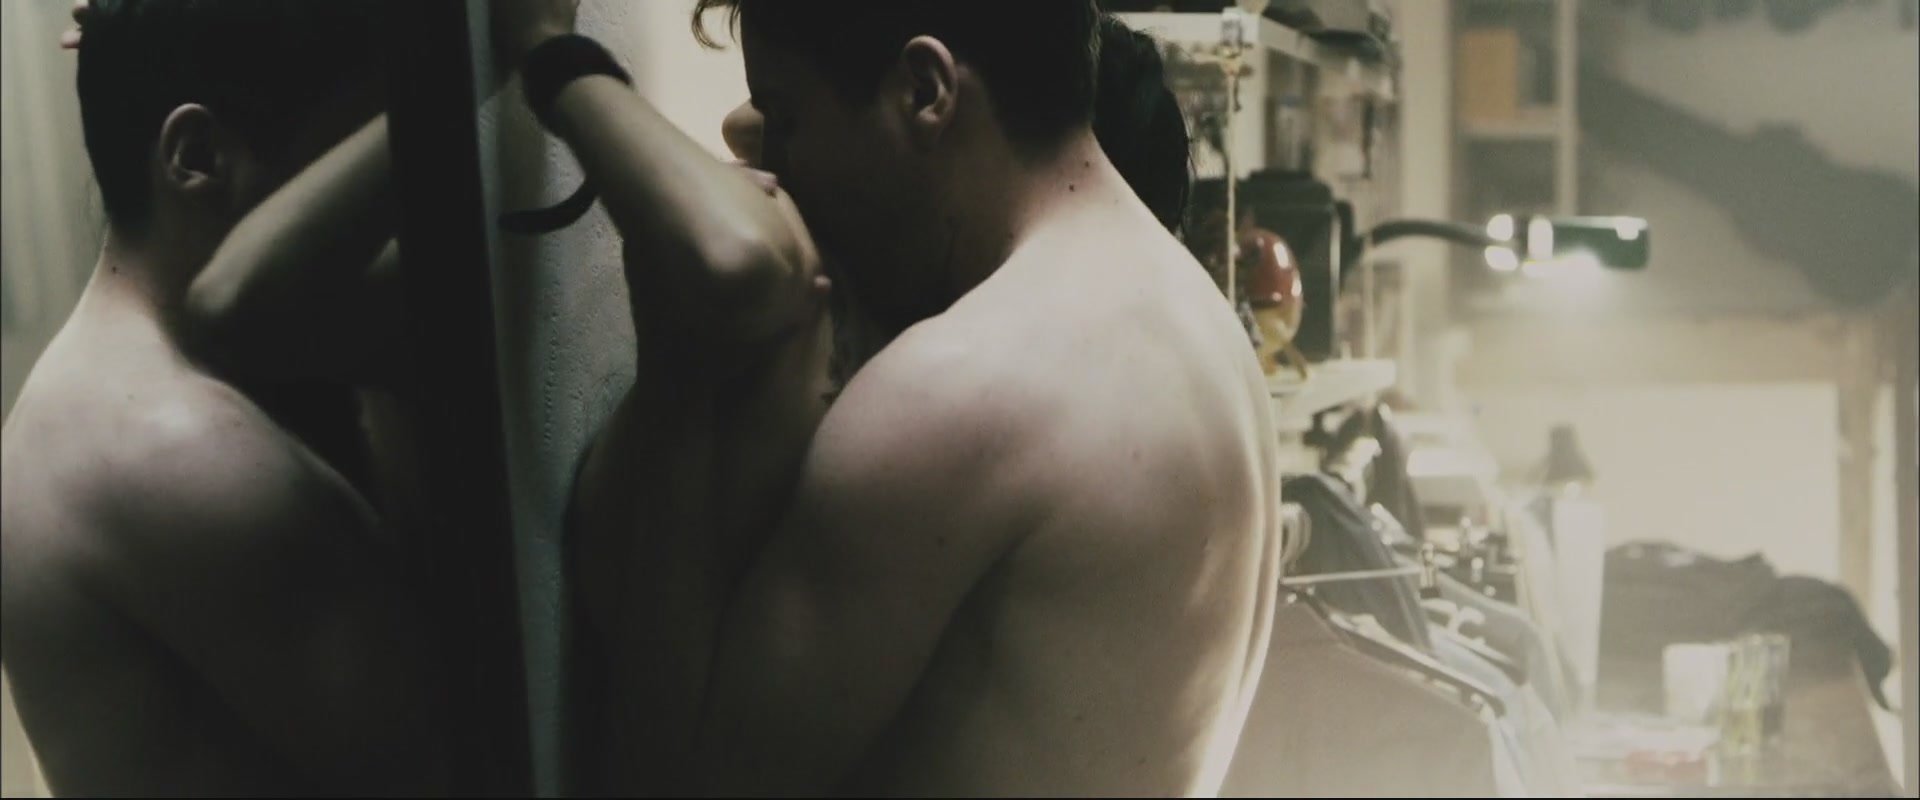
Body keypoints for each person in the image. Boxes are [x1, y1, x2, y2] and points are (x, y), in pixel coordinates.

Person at [527, 0, 1283, 794]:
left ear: (926, 91)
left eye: (786, 115)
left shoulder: (962, 388)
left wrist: (678, 362)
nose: (774, 158)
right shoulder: (1199, 324)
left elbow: (680, 785)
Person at [0, 2, 446, 794]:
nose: (383, 205)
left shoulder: (92, 383)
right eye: (351, 156)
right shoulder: (182, 449)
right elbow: (466, 768)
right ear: (197, 156)